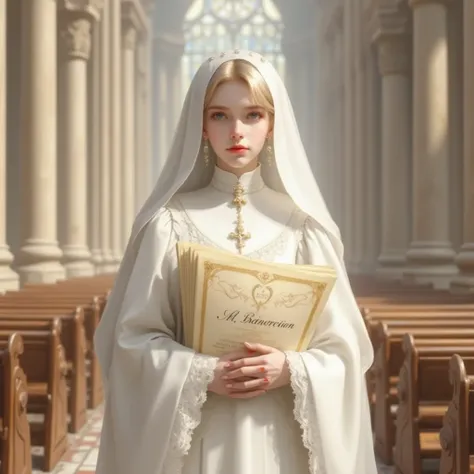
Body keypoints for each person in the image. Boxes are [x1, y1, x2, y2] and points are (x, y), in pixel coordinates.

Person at [93, 50, 377, 474]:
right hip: (198, 440)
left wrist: (291, 368)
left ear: (273, 123)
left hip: (284, 439)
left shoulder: (305, 228)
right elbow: (132, 342)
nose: (237, 131)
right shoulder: (168, 224)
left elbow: (344, 351)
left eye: (253, 115)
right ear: (201, 126)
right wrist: (201, 372)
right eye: (220, 115)